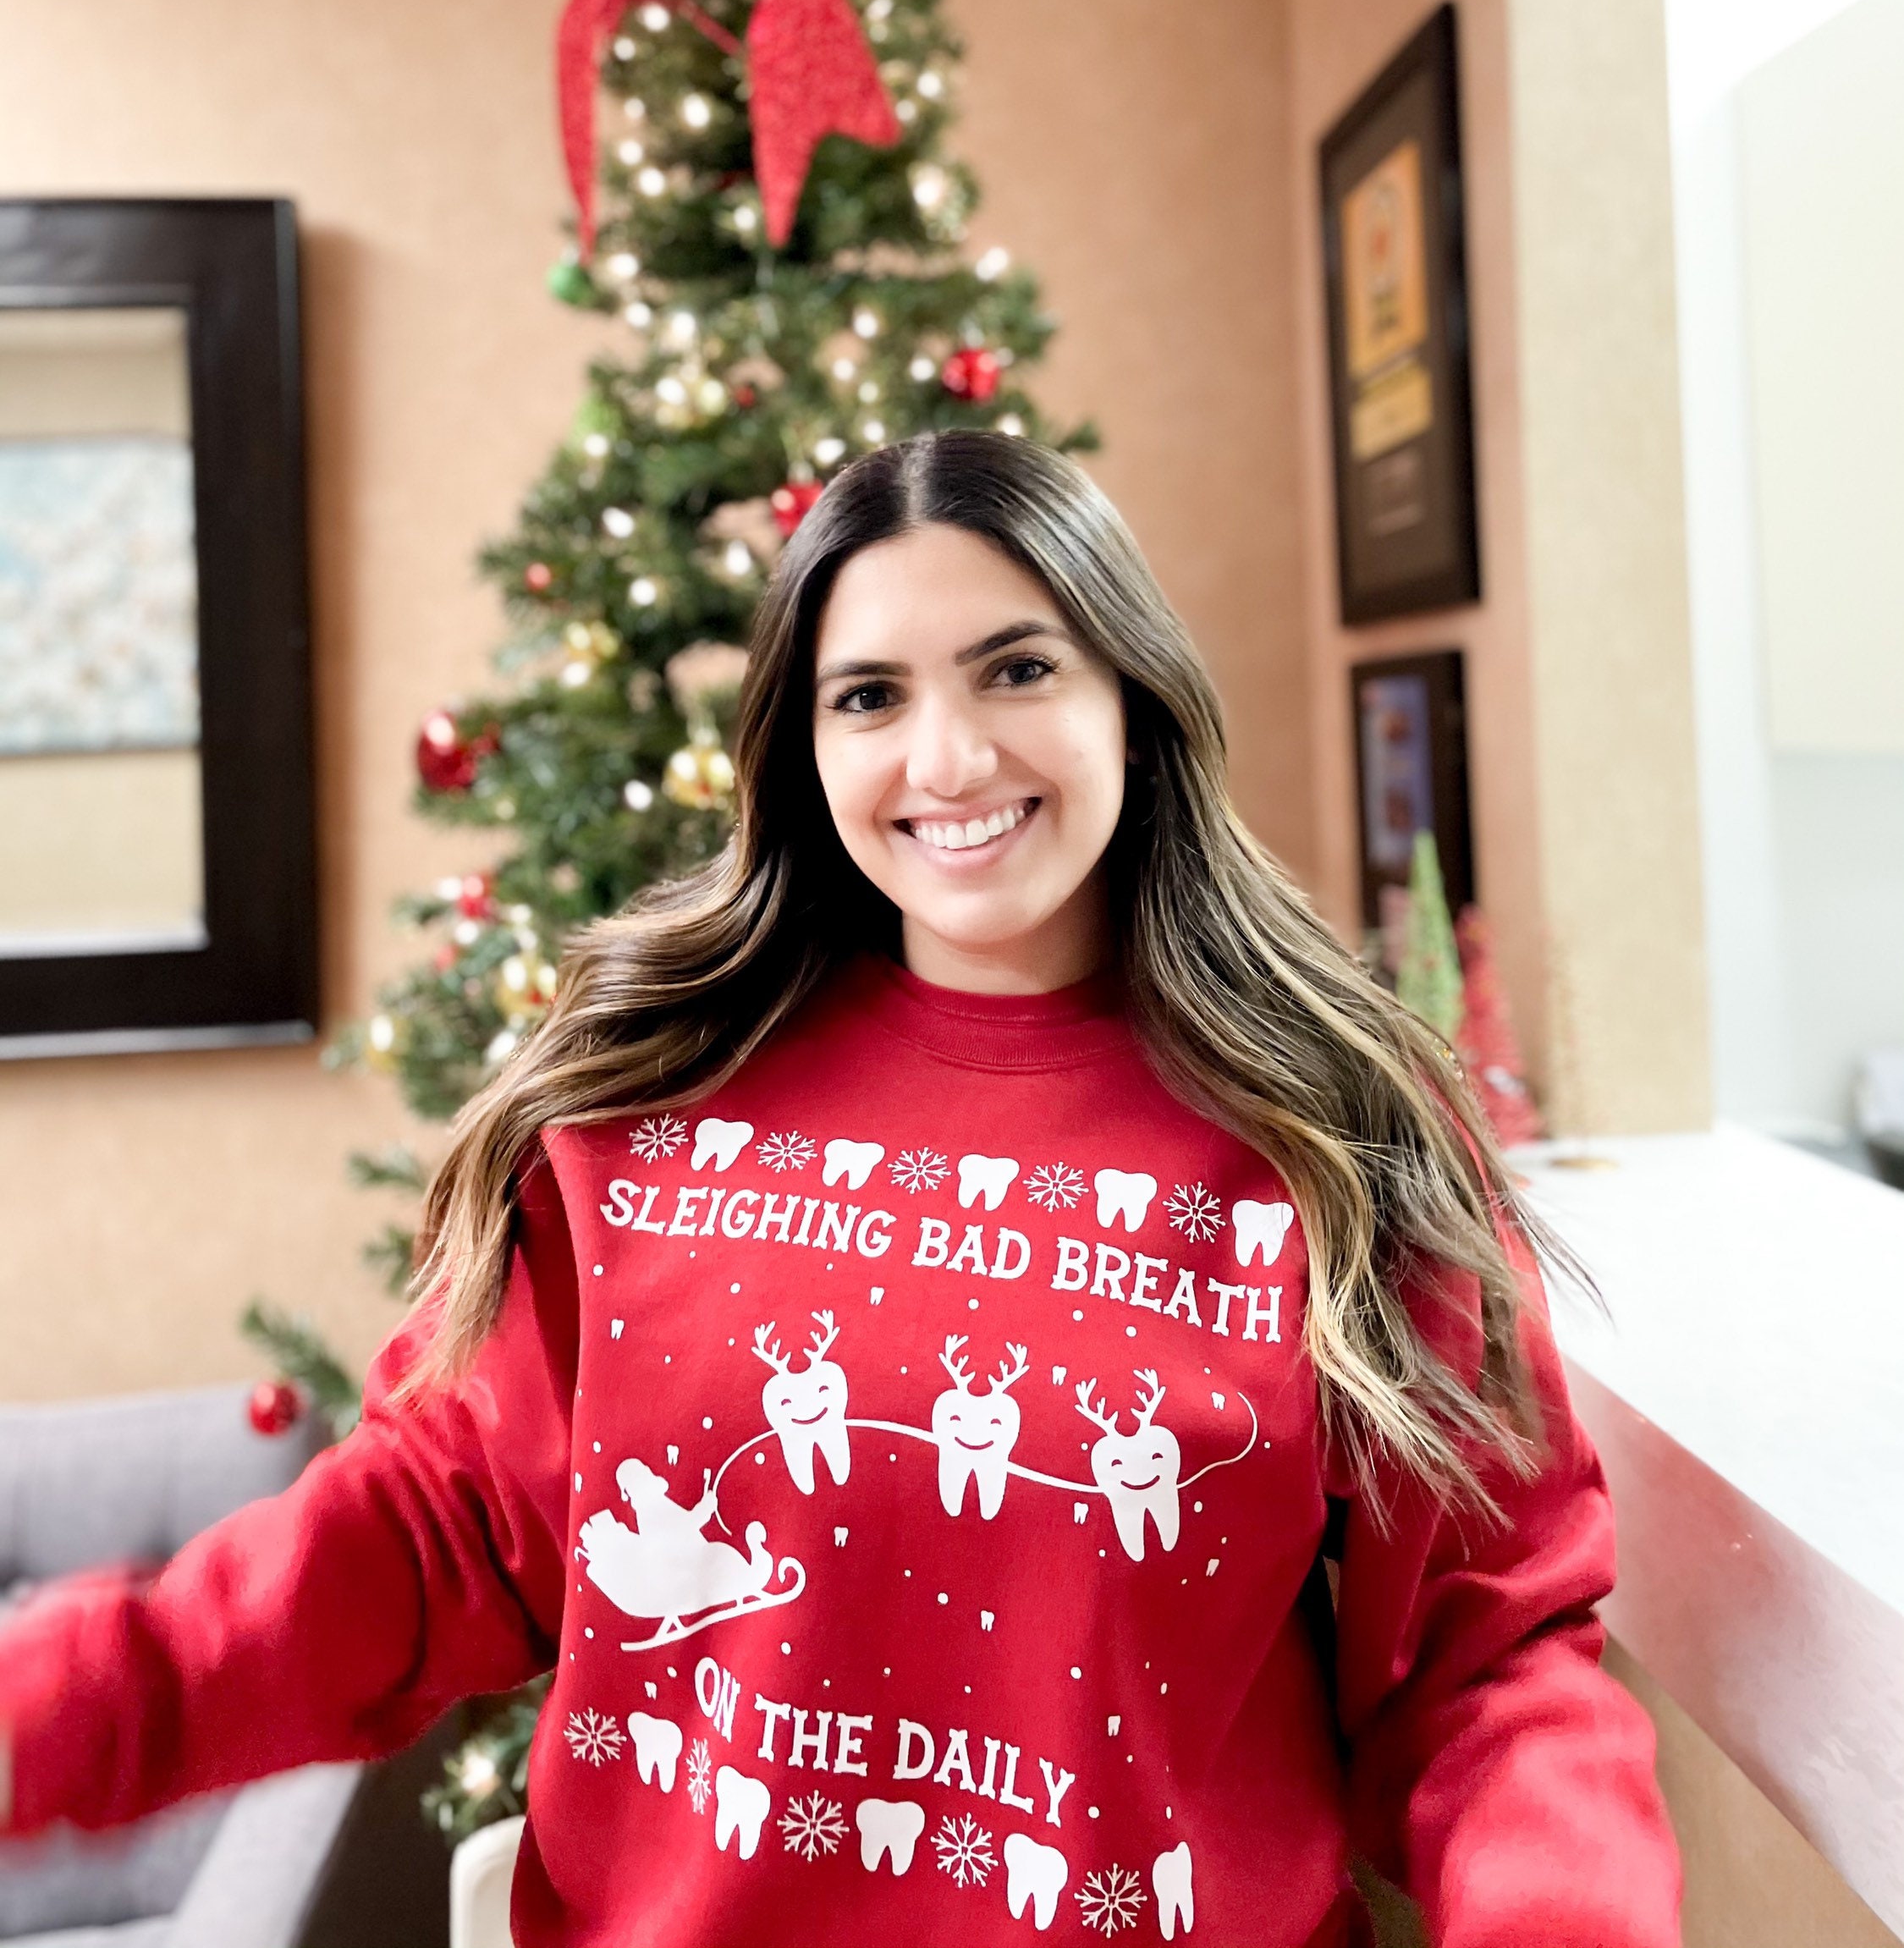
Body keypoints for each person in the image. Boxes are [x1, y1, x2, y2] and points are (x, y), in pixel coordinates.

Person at [0, 430, 1680, 1946]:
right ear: (800, 745)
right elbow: (416, 1542)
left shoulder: (1341, 1129)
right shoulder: (644, 1103)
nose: (946, 759)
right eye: (868, 696)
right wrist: (48, 1714)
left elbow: (1487, 1665)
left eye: (1016, 669)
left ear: (1132, 697)